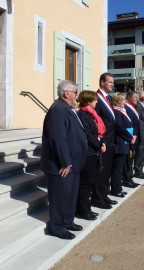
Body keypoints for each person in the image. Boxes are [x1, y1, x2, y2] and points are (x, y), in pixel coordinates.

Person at [41, 80, 88, 240]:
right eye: (75, 92)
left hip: (72, 163)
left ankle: (67, 221)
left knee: (70, 195)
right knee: (60, 197)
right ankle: (57, 227)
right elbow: (58, 139)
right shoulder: (57, 110)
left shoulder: (66, 108)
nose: (76, 94)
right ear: (67, 93)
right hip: (61, 164)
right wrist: (65, 162)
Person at [76, 90, 106, 221]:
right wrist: (100, 145)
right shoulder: (82, 115)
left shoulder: (92, 115)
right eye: (95, 100)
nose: (97, 101)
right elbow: (88, 135)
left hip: (94, 152)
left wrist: (102, 143)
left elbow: (98, 133)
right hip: (88, 153)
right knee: (85, 184)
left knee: (89, 183)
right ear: (88, 101)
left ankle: (86, 208)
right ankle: (83, 210)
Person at [92, 73, 117, 210]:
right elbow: (96, 121)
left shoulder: (108, 98)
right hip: (103, 141)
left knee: (107, 171)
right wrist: (100, 140)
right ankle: (97, 197)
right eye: (110, 82)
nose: (112, 84)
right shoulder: (96, 97)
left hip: (111, 140)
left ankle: (104, 194)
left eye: (113, 82)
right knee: (101, 171)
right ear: (102, 82)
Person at [111, 93, 137, 197]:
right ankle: (116, 189)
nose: (125, 102)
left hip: (124, 142)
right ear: (117, 101)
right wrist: (130, 137)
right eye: (123, 100)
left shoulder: (121, 111)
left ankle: (118, 187)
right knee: (117, 168)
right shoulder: (117, 112)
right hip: (120, 143)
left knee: (120, 167)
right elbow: (120, 127)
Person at [123, 91, 140, 188]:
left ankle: (129, 177)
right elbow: (128, 123)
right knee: (128, 160)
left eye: (138, 97)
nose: (137, 99)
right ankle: (127, 178)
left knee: (130, 159)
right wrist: (131, 136)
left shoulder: (133, 107)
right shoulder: (126, 107)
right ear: (129, 97)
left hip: (134, 137)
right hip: (130, 138)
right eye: (135, 97)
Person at [133, 91, 144, 179]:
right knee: (140, 153)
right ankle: (138, 171)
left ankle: (140, 170)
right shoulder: (139, 106)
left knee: (142, 153)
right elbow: (137, 119)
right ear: (143, 98)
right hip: (141, 133)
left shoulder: (142, 106)